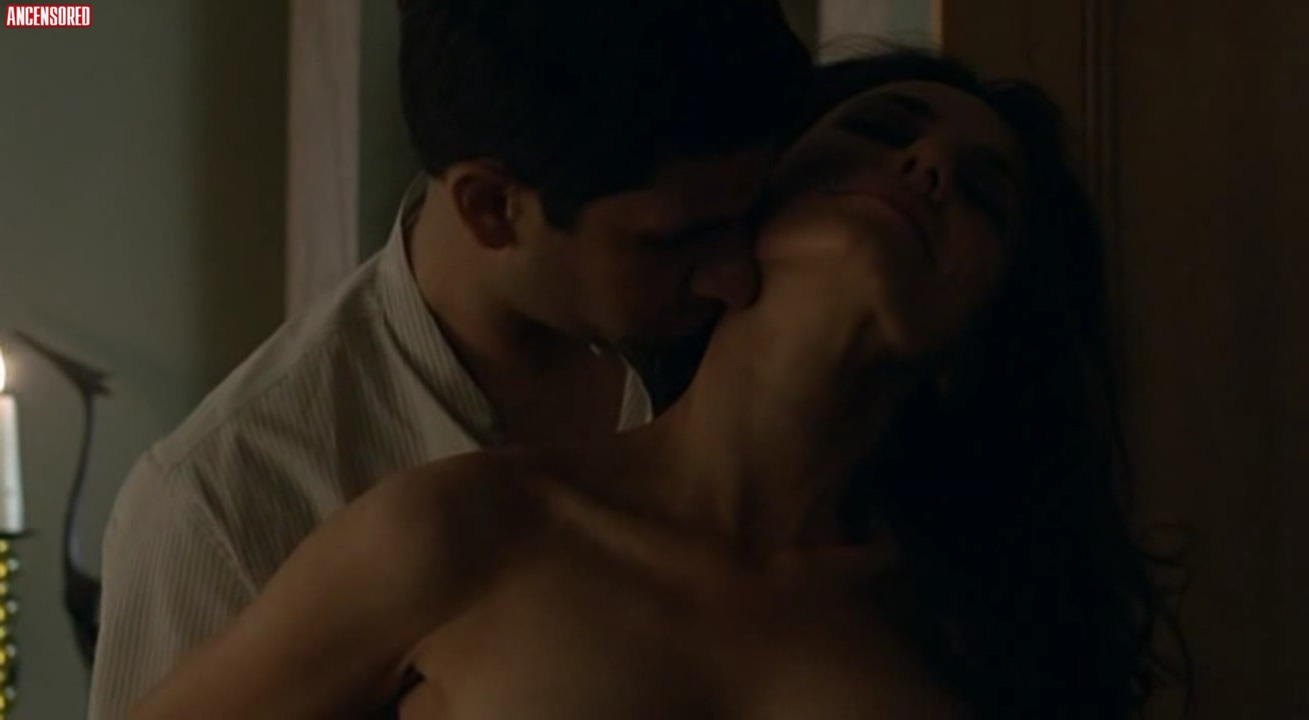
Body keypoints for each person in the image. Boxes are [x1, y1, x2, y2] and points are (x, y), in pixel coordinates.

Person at [129, 49, 1187, 719]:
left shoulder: (962, 640)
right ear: (735, 215)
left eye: (983, 195)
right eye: (876, 134)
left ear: (973, 343)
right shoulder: (466, 528)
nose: (930, 168)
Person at [88, 1, 811, 716]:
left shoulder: (764, 357)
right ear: (491, 207)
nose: (735, 275)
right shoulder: (226, 499)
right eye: (673, 240)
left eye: (746, 217)